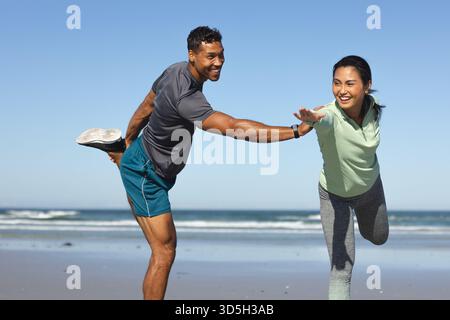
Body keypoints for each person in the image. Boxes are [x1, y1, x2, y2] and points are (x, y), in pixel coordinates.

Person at [77, 26, 310, 300]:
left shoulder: (173, 70)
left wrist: (129, 137)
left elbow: (147, 106)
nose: (219, 62)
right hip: (146, 176)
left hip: (151, 165)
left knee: (159, 244)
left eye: (221, 55)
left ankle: (119, 150)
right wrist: (296, 131)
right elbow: (236, 128)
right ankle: (121, 155)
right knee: (163, 252)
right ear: (192, 55)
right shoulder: (188, 98)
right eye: (211, 56)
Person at [294, 55, 389, 300]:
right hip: (334, 196)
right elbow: (324, 120)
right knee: (341, 269)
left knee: (379, 238)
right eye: (337, 83)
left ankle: (363, 225)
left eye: (349, 84)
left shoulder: (373, 105)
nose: (342, 90)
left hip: (370, 189)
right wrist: (313, 120)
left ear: (366, 85)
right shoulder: (328, 116)